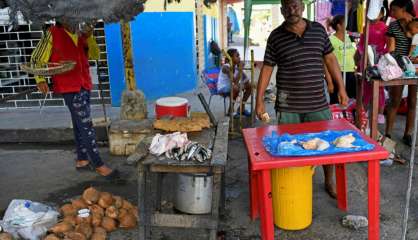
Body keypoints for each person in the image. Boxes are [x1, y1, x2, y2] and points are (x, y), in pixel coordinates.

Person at [256, 0, 349, 198]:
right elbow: (267, 68)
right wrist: (259, 101)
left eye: (296, 5)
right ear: (282, 10)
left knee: (326, 144)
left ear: (303, 7)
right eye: (288, 7)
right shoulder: (276, 36)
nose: (292, 10)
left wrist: (341, 88)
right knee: (289, 145)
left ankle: (328, 181)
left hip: (317, 102)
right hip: (289, 105)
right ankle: (293, 184)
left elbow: (330, 59)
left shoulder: (318, 30)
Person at [31, 20, 121, 181]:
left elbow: (95, 55)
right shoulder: (52, 33)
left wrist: (89, 37)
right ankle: (98, 163)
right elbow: (37, 58)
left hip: (84, 83)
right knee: (86, 124)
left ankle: (82, 159)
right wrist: (40, 79)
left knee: (79, 123)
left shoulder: (81, 34)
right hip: (68, 86)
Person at [385, 0, 416, 146]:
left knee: (412, 102)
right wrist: (396, 62)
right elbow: (391, 47)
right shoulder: (393, 25)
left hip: (415, 68)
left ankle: (408, 134)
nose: (392, 13)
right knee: (394, 101)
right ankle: (388, 133)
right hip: (397, 67)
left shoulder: (416, 24)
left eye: (394, 10)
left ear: (404, 9)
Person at [357, 7, 388, 124]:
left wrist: (381, 55)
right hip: (365, 60)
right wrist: (362, 53)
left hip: (378, 60)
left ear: (381, 14)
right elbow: (361, 43)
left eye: (376, 12)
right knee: (365, 86)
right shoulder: (366, 27)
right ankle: (363, 114)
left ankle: (379, 114)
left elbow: (387, 45)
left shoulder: (385, 27)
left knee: (379, 88)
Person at [328, 15, 357, 103]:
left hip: (351, 74)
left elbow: (354, 54)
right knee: (337, 101)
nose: (348, 24)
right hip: (337, 74)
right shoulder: (330, 40)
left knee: (351, 101)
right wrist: (329, 82)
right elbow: (326, 62)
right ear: (339, 26)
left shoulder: (349, 38)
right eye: (345, 22)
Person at [218, 48, 252, 117]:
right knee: (236, 87)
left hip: (232, 87)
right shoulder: (226, 67)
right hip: (223, 88)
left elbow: (246, 80)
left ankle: (241, 108)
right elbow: (235, 81)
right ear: (230, 58)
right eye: (237, 56)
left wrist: (245, 84)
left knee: (250, 86)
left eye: (239, 56)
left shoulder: (236, 67)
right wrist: (240, 70)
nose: (239, 58)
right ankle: (230, 111)